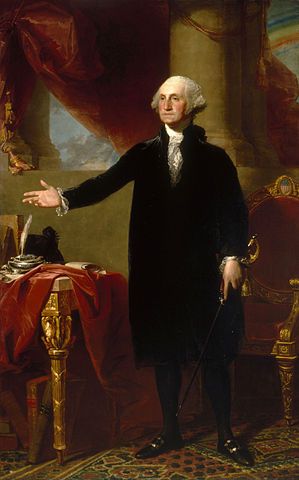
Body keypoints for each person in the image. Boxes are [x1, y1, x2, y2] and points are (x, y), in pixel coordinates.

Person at [23, 76, 253, 466]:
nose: (166, 104)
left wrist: (232, 257)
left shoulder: (215, 158)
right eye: (161, 98)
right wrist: (61, 197)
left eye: (175, 98)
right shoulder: (143, 153)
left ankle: (226, 436)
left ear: (192, 106)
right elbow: (105, 182)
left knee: (212, 354)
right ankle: (170, 430)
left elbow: (233, 210)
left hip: (202, 270)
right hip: (156, 270)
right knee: (163, 353)